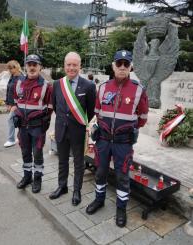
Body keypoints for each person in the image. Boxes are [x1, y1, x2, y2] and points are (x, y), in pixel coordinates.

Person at [86, 50, 149, 228]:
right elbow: (97, 113)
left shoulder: (138, 90)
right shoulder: (104, 87)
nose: (122, 67)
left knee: (122, 176)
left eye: (126, 64)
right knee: (100, 172)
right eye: (119, 64)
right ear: (113, 65)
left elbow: (143, 118)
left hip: (123, 143)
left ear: (130, 67)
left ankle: (121, 208)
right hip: (103, 140)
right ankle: (99, 200)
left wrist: (126, 130)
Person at [49, 52, 96, 206]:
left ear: (79, 66)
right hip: (61, 129)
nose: (71, 68)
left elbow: (91, 111)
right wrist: (64, 120)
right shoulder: (57, 84)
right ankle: (62, 186)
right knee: (62, 160)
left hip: (78, 131)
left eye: (74, 65)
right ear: (64, 66)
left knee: (78, 162)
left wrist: (80, 124)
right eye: (68, 65)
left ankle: (76, 190)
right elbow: (56, 107)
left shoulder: (89, 86)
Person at [14, 54, 53, 193]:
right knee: (25, 152)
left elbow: (50, 107)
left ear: (40, 67)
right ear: (25, 66)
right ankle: (27, 177)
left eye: (34, 65)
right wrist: (15, 115)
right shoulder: (19, 82)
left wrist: (45, 123)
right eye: (29, 64)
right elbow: (15, 102)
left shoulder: (46, 86)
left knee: (37, 153)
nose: (32, 67)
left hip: (37, 127)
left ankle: (37, 178)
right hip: (22, 127)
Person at [4, 60, 24, 148]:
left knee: (10, 119)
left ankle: (11, 140)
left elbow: (22, 94)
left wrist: (15, 105)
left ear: (17, 67)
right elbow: (9, 90)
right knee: (18, 120)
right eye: (9, 69)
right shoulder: (12, 77)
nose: (10, 70)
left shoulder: (21, 78)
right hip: (12, 103)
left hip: (18, 104)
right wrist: (8, 103)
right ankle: (21, 137)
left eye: (12, 68)